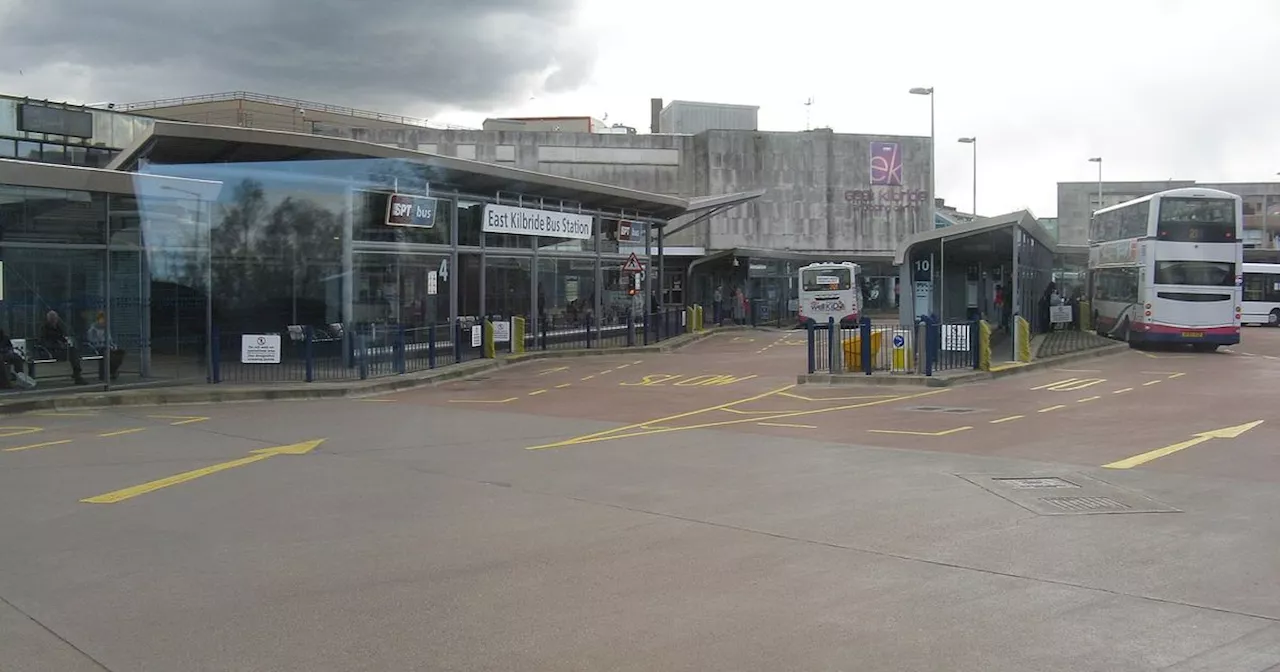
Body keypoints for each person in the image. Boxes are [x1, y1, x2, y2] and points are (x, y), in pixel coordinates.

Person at [40, 310, 86, 385]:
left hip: (61, 349)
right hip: (51, 351)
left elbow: (62, 337)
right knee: (73, 354)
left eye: (55, 318)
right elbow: (44, 342)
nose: (54, 320)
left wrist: (64, 343)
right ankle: (77, 375)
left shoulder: (58, 327)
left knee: (73, 351)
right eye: (52, 319)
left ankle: (77, 373)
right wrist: (58, 345)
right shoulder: (44, 328)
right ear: (49, 319)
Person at [85, 311, 125, 381]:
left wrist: (113, 346)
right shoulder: (93, 329)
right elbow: (91, 341)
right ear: (98, 319)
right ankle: (105, 374)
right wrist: (102, 344)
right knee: (106, 353)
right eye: (101, 319)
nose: (103, 321)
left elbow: (110, 340)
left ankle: (112, 370)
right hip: (98, 347)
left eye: (104, 319)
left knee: (120, 352)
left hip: (107, 347)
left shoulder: (106, 328)